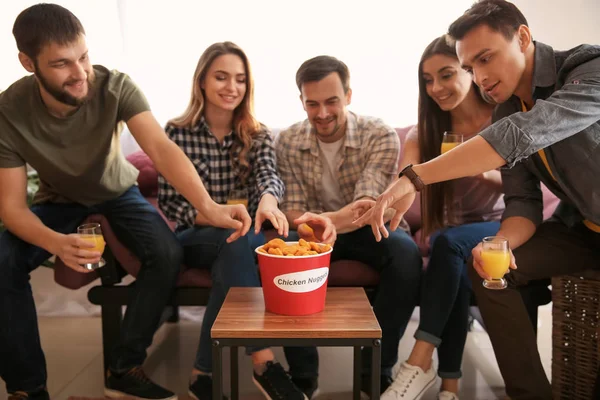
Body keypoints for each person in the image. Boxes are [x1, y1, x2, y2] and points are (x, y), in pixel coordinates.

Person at [0, 5, 251, 400]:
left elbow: (161, 150)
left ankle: (123, 367)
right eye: (62, 64)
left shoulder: (116, 86)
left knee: (166, 254)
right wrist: (56, 243)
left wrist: (209, 207)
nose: (81, 73)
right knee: (2, 261)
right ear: (28, 63)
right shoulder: (8, 111)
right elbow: (12, 208)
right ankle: (27, 388)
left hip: (117, 192)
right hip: (58, 200)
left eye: (83, 56)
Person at [354, 1, 600, 399]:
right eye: (471, 68)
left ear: (521, 37)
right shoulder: (503, 109)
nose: (481, 77)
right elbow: (522, 203)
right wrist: (500, 243)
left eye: (486, 59)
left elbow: (525, 133)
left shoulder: (588, 69)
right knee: (489, 271)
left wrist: (414, 178)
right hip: (580, 231)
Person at [158, 41, 334, 400]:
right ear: (202, 81)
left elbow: (270, 178)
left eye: (239, 79)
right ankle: (264, 362)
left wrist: (269, 203)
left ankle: (201, 373)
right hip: (197, 235)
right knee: (235, 242)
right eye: (221, 77)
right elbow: (170, 200)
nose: (231, 87)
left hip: (244, 235)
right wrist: (212, 214)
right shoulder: (177, 131)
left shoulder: (257, 132)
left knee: (259, 251)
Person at [275, 55, 423, 398]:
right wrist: (321, 224)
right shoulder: (287, 141)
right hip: (312, 232)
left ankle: (375, 370)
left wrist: (328, 219)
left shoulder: (379, 133)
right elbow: (295, 212)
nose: (322, 113)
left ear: (349, 96)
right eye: (312, 104)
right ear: (301, 101)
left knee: (405, 255)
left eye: (331, 102)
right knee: (286, 262)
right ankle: (303, 377)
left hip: (366, 228)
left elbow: (369, 208)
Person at [380, 35, 503, 400]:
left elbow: (521, 185)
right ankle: (450, 388)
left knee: (447, 244)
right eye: (428, 80)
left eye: (446, 75)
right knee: (453, 260)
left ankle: (418, 362)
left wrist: (477, 167)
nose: (436, 87)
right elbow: (409, 174)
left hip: (497, 225)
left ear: (470, 71)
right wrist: (396, 194)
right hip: (454, 234)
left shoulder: (502, 120)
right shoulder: (426, 131)